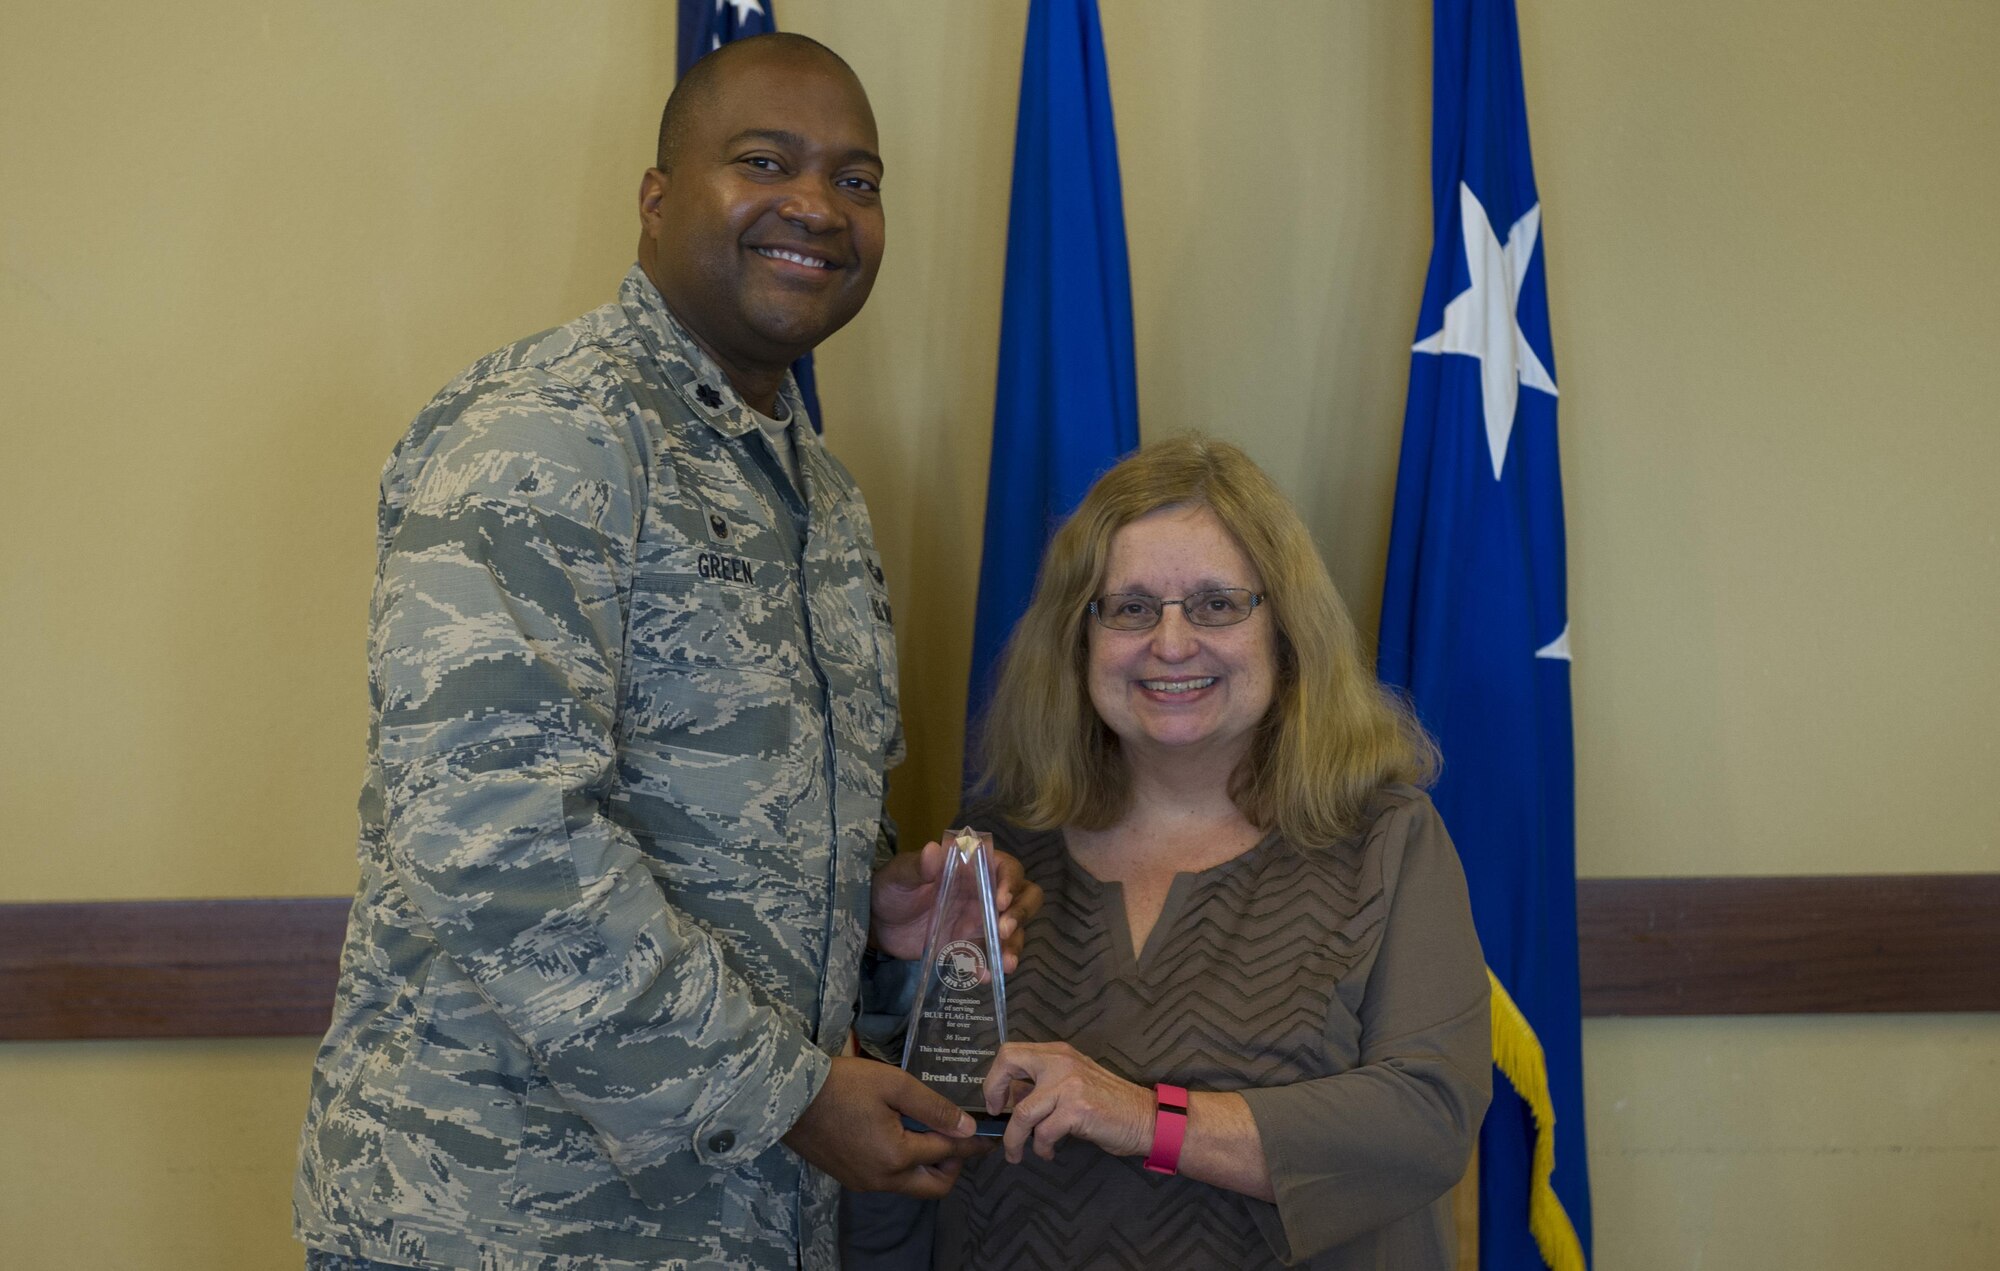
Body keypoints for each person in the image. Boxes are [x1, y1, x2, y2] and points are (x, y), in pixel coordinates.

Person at [294, 34, 1038, 1271]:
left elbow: (758, 846)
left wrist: (881, 912)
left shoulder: (823, 502)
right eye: (764, 161)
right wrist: (792, 1096)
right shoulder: (549, 431)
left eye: (858, 181)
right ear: (654, 200)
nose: (816, 206)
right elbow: (492, 834)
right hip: (499, 1223)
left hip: (743, 1224)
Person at [933, 436, 1491, 1269]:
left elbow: (1425, 1118)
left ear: (1285, 628)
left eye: (1216, 603)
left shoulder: (1384, 837)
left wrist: (1142, 1116)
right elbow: (921, 1139)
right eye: (1128, 607)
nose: (1170, 641)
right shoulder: (998, 850)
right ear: (1078, 639)